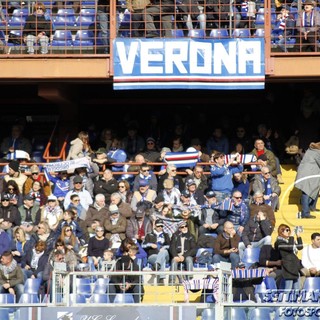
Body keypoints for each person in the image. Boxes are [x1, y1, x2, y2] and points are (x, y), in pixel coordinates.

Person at [295, 141, 320, 219]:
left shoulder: (311, 151)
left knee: (315, 189)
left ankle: (312, 206)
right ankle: (305, 213)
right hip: (308, 175)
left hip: (310, 174)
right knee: (306, 192)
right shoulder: (317, 152)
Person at [274, 224, 303, 292]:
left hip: (294, 266)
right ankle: (285, 301)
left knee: (297, 289)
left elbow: (300, 247)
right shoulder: (279, 242)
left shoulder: (290, 240)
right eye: (287, 230)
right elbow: (289, 247)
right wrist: (292, 236)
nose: (289, 232)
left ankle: (297, 300)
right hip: (288, 267)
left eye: (289, 230)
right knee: (288, 288)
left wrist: (298, 235)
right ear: (281, 231)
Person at [142, 218, 170, 284]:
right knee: (161, 259)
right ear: (155, 226)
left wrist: (164, 247)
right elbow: (143, 245)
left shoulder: (166, 235)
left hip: (164, 253)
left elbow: (170, 245)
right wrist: (150, 245)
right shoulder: (149, 235)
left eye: (162, 226)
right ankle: (161, 279)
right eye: (158, 226)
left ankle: (156, 265)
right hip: (153, 255)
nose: (160, 227)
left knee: (163, 252)